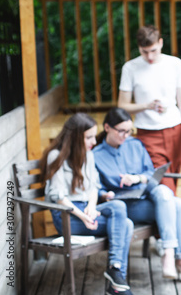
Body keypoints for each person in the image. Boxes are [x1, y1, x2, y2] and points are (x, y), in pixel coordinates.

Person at [92, 107, 181, 284]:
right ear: (107, 128)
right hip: (125, 204)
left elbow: (150, 172)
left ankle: (169, 252)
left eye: (129, 131)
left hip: (147, 195)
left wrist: (136, 178)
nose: (125, 135)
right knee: (177, 205)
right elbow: (94, 188)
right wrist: (105, 194)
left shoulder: (135, 144)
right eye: (121, 131)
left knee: (167, 196)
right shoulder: (95, 155)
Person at [41, 113, 134, 295]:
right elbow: (58, 196)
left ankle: (114, 270)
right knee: (127, 225)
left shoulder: (88, 155)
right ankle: (116, 284)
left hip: (86, 209)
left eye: (93, 136)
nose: (93, 141)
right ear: (76, 137)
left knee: (118, 207)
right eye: (89, 137)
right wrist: (83, 215)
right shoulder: (56, 156)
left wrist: (91, 207)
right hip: (67, 216)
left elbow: (94, 187)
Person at [118, 25, 181, 195]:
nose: (150, 56)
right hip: (148, 133)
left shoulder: (175, 64)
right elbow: (122, 105)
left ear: (160, 43)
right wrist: (147, 105)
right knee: (163, 183)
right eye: (144, 52)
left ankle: (173, 219)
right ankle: (180, 222)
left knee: (173, 179)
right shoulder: (130, 68)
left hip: (175, 130)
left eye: (153, 50)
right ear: (139, 48)